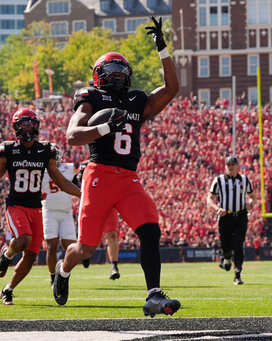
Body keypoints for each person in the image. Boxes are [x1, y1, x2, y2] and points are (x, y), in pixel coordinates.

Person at [53, 16, 181, 318]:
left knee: (150, 230)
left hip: (128, 179)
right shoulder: (91, 98)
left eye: (121, 72)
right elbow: (72, 136)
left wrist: (162, 49)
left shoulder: (137, 100)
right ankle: (63, 268)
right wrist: (106, 128)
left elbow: (171, 88)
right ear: (98, 75)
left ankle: (153, 295)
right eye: (109, 71)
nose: (116, 76)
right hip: (97, 175)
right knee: (85, 248)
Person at [0, 108, 81, 305]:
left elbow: (63, 182)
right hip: (16, 205)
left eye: (31, 123)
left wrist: (84, 195)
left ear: (37, 126)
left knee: (31, 256)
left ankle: (8, 289)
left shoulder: (45, 150)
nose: (27, 127)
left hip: (36, 208)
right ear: (15, 127)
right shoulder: (8, 150)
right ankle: (7, 254)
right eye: (23, 124)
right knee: (23, 240)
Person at [206, 156, 257, 285]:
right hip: (225, 217)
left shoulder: (245, 180)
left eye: (233, 164)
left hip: (240, 216)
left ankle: (237, 274)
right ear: (225, 166)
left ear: (237, 166)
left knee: (239, 244)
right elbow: (210, 198)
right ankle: (227, 258)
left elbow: (252, 196)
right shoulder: (219, 180)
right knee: (226, 245)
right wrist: (217, 208)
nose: (231, 166)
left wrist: (250, 204)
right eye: (229, 164)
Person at [41, 143, 79, 288]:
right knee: (51, 246)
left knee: (71, 247)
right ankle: (52, 278)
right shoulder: (40, 169)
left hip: (66, 212)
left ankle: (63, 273)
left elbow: (76, 184)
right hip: (49, 210)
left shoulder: (68, 168)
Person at [77, 160, 121, 280]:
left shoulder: (112, 165)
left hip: (109, 203)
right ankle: (87, 254)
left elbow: (119, 186)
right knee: (93, 237)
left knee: (112, 235)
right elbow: (78, 185)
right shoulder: (86, 166)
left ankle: (114, 266)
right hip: (93, 204)